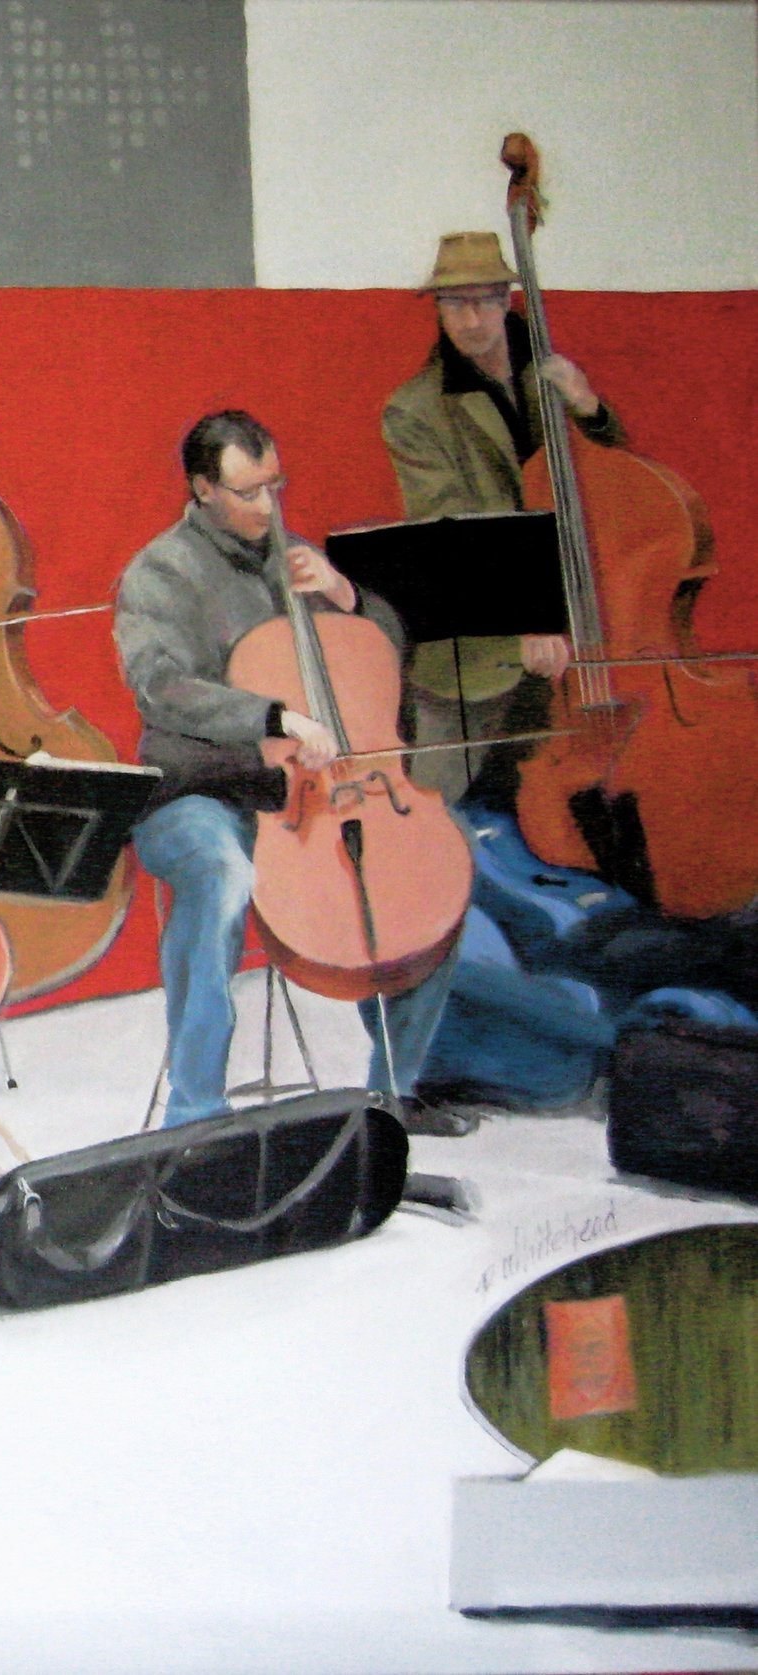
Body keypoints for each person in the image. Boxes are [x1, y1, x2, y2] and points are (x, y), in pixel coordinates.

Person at [116, 411, 459, 1130]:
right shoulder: (159, 572)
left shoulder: (294, 553)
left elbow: (384, 650)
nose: (269, 508)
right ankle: (195, 1113)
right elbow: (161, 686)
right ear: (203, 487)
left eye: (275, 487)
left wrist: (344, 596)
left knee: (435, 870)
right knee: (222, 873)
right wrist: (275, 719)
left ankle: (390, 1092)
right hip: (198, 792)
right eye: (249, 493)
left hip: (312, 793)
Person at [381, 230, 626, 805]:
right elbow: (452, 531)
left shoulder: (550, 381)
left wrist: (588, 408)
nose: (469, 319)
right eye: (453, 304)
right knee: (433, 815)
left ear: (507, 300)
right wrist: (525, 622)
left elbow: (615, 484)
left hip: (581, 632)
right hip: (478, 650)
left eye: (482, 301)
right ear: (438, 310)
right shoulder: (413, 410)